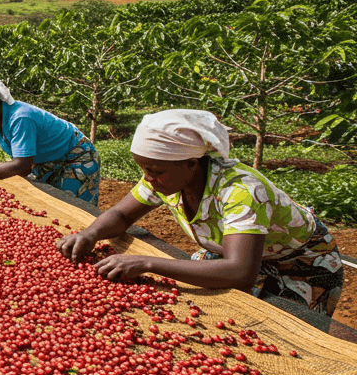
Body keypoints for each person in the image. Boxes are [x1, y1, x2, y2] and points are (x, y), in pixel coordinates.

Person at [58, 110, 344, 316]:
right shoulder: (165, 180)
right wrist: (90, 233)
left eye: (156, 171)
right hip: (234, 254)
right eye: (144, 170)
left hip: (299, 266)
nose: (149, 179)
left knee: (279, 326)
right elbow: (121, 215)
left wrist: (147, 263)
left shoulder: (241, 191)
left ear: (192, 164)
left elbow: (241, 272)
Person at [0, 77, 101, 204]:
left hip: (75, 158)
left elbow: (21, 166)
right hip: (45, 159)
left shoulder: (20, 118)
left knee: (73, 206)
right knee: (47, 201)